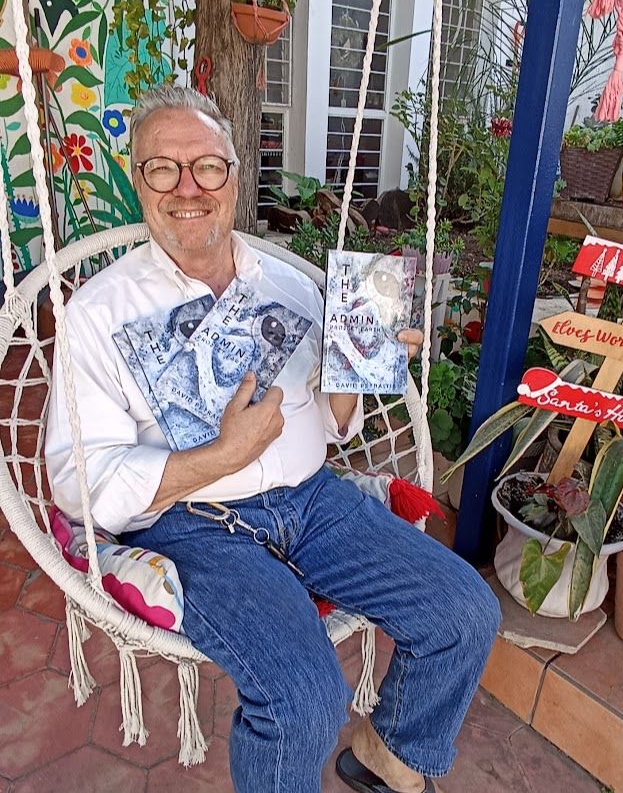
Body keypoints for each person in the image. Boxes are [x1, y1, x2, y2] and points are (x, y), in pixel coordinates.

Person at [45, 86, 500, 793]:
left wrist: (363, 365)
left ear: (235, 174)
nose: (187, 187)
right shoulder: (97, 313)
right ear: (137, 180)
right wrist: (220, 457)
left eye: (206, 166)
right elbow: (80, 481)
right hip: (195, 527)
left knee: (465, 612)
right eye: (162, 168)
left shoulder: (290, 285)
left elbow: (330, 423)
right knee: (301, 703)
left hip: (314, 501)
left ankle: (387, 753)